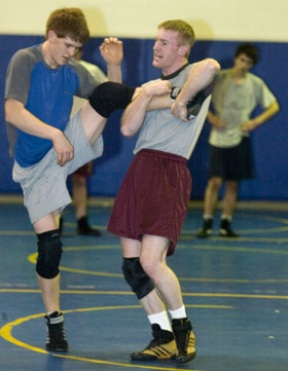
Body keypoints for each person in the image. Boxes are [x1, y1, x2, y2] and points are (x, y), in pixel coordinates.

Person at [4, 7, 172, 353]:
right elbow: (12, 111)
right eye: (67, 45)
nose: (71, 54)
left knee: (107, 95)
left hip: (66, 145)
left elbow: (111, 96)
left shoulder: (74, 69)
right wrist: (55, 134)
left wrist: (113, 63)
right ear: (51, 36)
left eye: (77, 48)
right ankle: (54, 322)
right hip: (35, 167)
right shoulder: (25, 59)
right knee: (50, 249)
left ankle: (172, 101)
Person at [107, 20, 220, 364]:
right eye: (155, 41)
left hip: (168, 170)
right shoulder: (150, 85)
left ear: (182, 49)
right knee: (132, 267)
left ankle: (184, 329)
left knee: (151, 262)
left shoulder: (196, 78)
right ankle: (163, 336)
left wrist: (179, 98)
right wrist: (147, 94)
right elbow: (127, 126)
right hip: (140, 169)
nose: (156, 47)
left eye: (164, 43)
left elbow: (212, 66)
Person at [196, 43, 279, 238]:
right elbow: (198, 97)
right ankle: (207, 222)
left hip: (240, 137)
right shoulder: (220, 78)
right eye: (242, 60)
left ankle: (226, 223)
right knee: (214, 181)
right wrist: (211, 117)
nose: (244, 65)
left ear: (252, 65)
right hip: (218, 137)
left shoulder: (255, 83)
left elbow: (273, 105)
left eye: (248, 63)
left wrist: (255, 122)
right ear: (236, 58)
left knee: (233, 183)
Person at [61, 47, 107, 236]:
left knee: (80, 179)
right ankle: (56, 220)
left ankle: (82, 219)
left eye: (78, 48)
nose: (74, 52)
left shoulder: (92, 71)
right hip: (58, 131)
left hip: (82, 133)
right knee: (56, 179)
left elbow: (107, 95)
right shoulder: (56, 68)